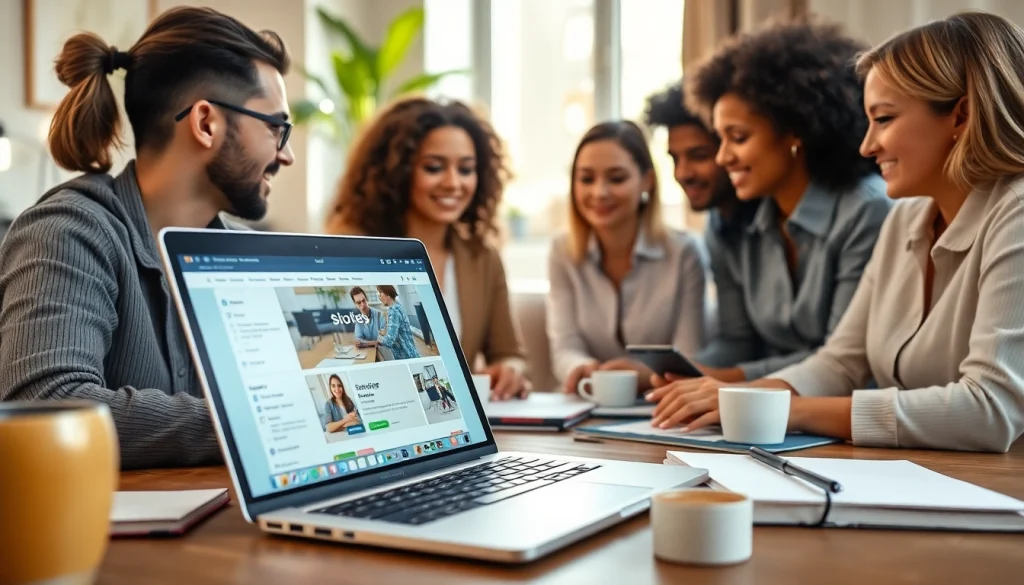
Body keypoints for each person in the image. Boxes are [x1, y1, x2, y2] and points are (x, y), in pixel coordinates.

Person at [648, 11, 1024, 453]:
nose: (867, 145)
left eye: (883, 119)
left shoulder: (1014, 213)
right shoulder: (906, 219)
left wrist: (783, 409)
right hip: (917, 472)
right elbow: (841, 361)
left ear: (960, 116)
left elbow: (989, 409)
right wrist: (744, 397)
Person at [0, 7, 293, 469]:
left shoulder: (242, 250)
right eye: (276, 128)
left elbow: (279, 389)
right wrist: (261, 425)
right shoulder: (68, 232)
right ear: (206, 123)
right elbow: (47, 403)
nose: (287, 154)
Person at [662, 18, 892, 386]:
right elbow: (736, 342)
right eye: (720, 139)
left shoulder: (866, 211)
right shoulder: (730, 223)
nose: (723, 158)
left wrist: (723, 381)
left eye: (737, 137)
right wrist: (678, 375)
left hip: (838, 415)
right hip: (767, 411)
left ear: (795, 130)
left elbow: (842, 360)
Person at [326, 96, 529, 400]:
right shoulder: (354, 249)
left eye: (466, 169)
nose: (453, 183)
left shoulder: (482, 257)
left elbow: (508, 353)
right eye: (434, 167)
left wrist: (510, 372)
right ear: (398, 172)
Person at [548, 120, 709, 394]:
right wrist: (587, 369)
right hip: (588, 400)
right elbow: (565, 349)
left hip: (662, 403)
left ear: (646, 181)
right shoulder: (563, 251)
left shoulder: (685, 253)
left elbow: (690, 357)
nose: (599, 192)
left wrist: (641, 376)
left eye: (617, 178)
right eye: (586, 179)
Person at [642, 81, 761, 354]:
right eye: (674, 159)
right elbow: (735, 339)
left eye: (698, 156)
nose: (682, 173)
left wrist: (703, 376)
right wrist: (681, 375)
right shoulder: (717, 228)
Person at [376, 285, 420, 360]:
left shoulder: (394, 311)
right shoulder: (397, 306)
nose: (379, 297)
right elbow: (394, 333)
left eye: (380, 294)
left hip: (406, 357)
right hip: (410, 353)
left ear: (388, 294)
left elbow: (389, 341)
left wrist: (377, 339)